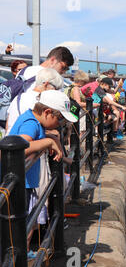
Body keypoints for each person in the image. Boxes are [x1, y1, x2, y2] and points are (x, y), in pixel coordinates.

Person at [8, 90, 78, 258]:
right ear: (47, 113)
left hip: (25, 181)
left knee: (28, 219)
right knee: (24, 221)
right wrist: (47, 141)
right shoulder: (31, 123)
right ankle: (20, 258)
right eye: (60, 119)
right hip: (21, 183)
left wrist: (51, 138)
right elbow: (21, 146)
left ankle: (22, 254)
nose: (60, 124)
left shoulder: (35, 122)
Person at [6, 68, 64, 135]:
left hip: (9, 139)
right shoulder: (40, 101)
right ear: (46, 84)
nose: (56, 93)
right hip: (24, 141)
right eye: (56, 89)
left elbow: (8, 124)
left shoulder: (19, 97)